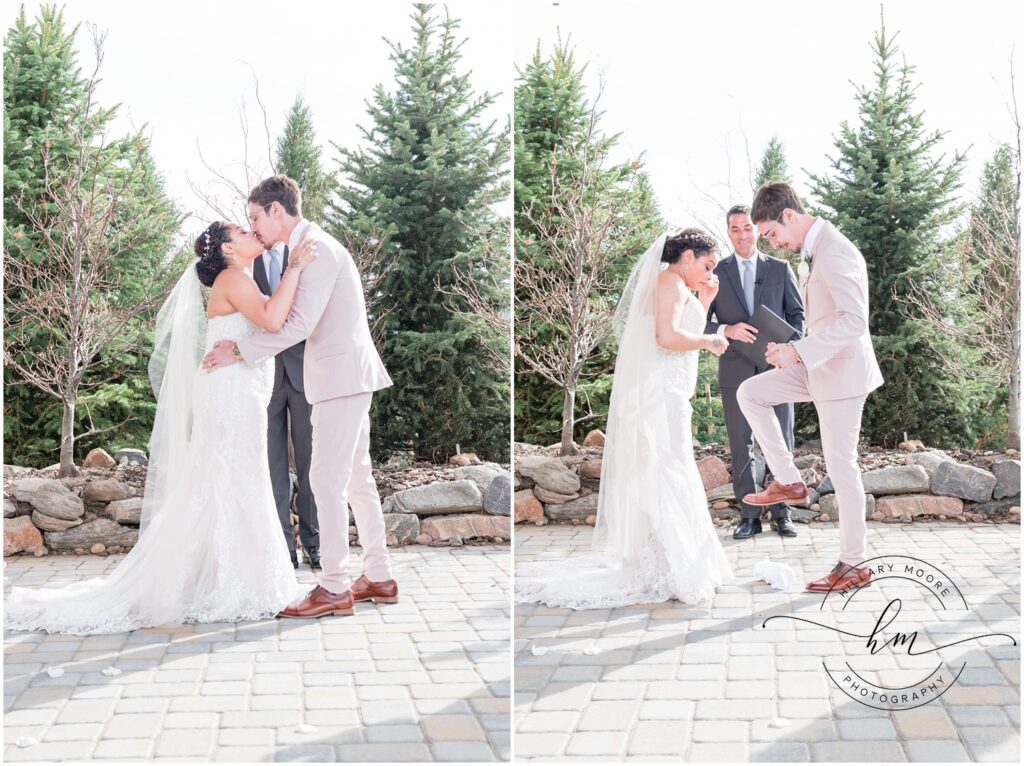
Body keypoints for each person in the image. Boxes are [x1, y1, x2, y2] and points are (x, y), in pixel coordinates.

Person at [4, 222, 318, 634]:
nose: (250, 232)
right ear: (227, 248)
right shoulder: (233, 278)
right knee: (229, 479)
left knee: (237, 479)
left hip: (239, 391)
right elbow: (273, 321)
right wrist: (294, 268)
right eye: (242, 230)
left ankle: (232, 578)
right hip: (229, 396)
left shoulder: (238, 277)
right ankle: (231, 583)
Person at [203, 175, 396, 618]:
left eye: (255, 217)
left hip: (341, 377)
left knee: (326, 481)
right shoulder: (303, 249)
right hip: (342, 375)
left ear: (276, 210)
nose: (253, 227)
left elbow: (299, 326)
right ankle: (379, 576)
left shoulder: (318, 249)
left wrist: (239, 350)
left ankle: (333, 586)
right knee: (356, 479)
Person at [514, 229, 734, 609]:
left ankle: (671, 561)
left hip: (670, 391)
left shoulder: (676, 284)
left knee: (671, 469)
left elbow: (679, 327)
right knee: (669, 470)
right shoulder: (668, 280)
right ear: (686, 257)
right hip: (661, 395)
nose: (710, 271)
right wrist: (711, 341)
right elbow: (666, 337)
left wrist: (706, 300)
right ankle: (671, 565)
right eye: (707, 264)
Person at [738, 182, 883, 592]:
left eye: (771, 234)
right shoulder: (813, 252)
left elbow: (855, 321)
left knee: (842, 468)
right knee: (751, 393)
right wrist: (790, 348)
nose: (774, 243)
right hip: (816, 365)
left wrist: (798, 351)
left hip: (842, 376)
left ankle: (854, 565)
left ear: (788, 216)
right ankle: (789, 480)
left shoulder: (836, 251)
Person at [705, 204, 804, 540]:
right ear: (728, 233)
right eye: (734, 229)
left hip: (777, 368)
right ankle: (748, 516)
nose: (742, 235)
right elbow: (697, 321)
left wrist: (791, 351)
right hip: (734, 367)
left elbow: (798, 316)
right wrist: (726, 329)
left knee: (781, 438)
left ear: (757, 230)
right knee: (740, 441)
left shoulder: (779, 269)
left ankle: (782, 512)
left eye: (747, 228)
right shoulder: (716, 273)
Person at [253, 240, 321, 570]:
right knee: (272, 468)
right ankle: (283, 546)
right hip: (260, 375)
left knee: (311, 465)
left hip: (304, 372)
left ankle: (314, 541)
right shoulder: (242, 264)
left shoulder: (303, 255)